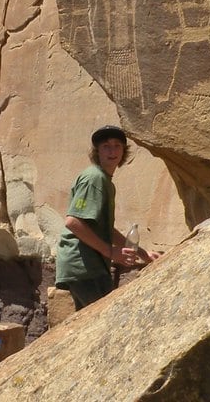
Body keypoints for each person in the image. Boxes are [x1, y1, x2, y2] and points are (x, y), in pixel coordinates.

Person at [55, 125, 159, 310]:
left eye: (117, 145)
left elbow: (103, 228)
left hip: (89, 266)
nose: (112, 151)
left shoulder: (105, 181)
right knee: (103, 319)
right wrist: (111, 252)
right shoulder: (94, 178)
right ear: (97, 151)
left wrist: (144, 254)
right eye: (106, 146)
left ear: (124, 151)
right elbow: (73, 222)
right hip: (84, 266)